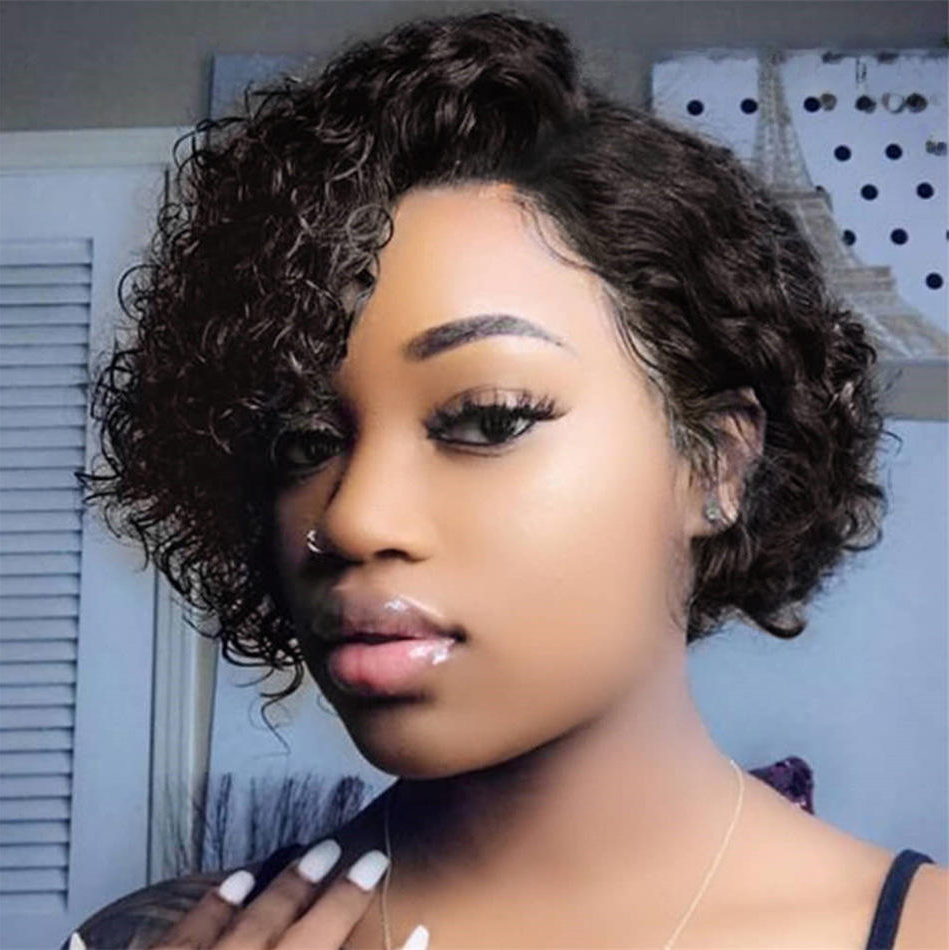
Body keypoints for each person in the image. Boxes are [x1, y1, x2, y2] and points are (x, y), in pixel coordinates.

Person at [66, 10, 945, 950]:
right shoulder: (158, 939)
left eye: (490, 418)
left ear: (717, 463)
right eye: (305, 442)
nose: (352, 519)